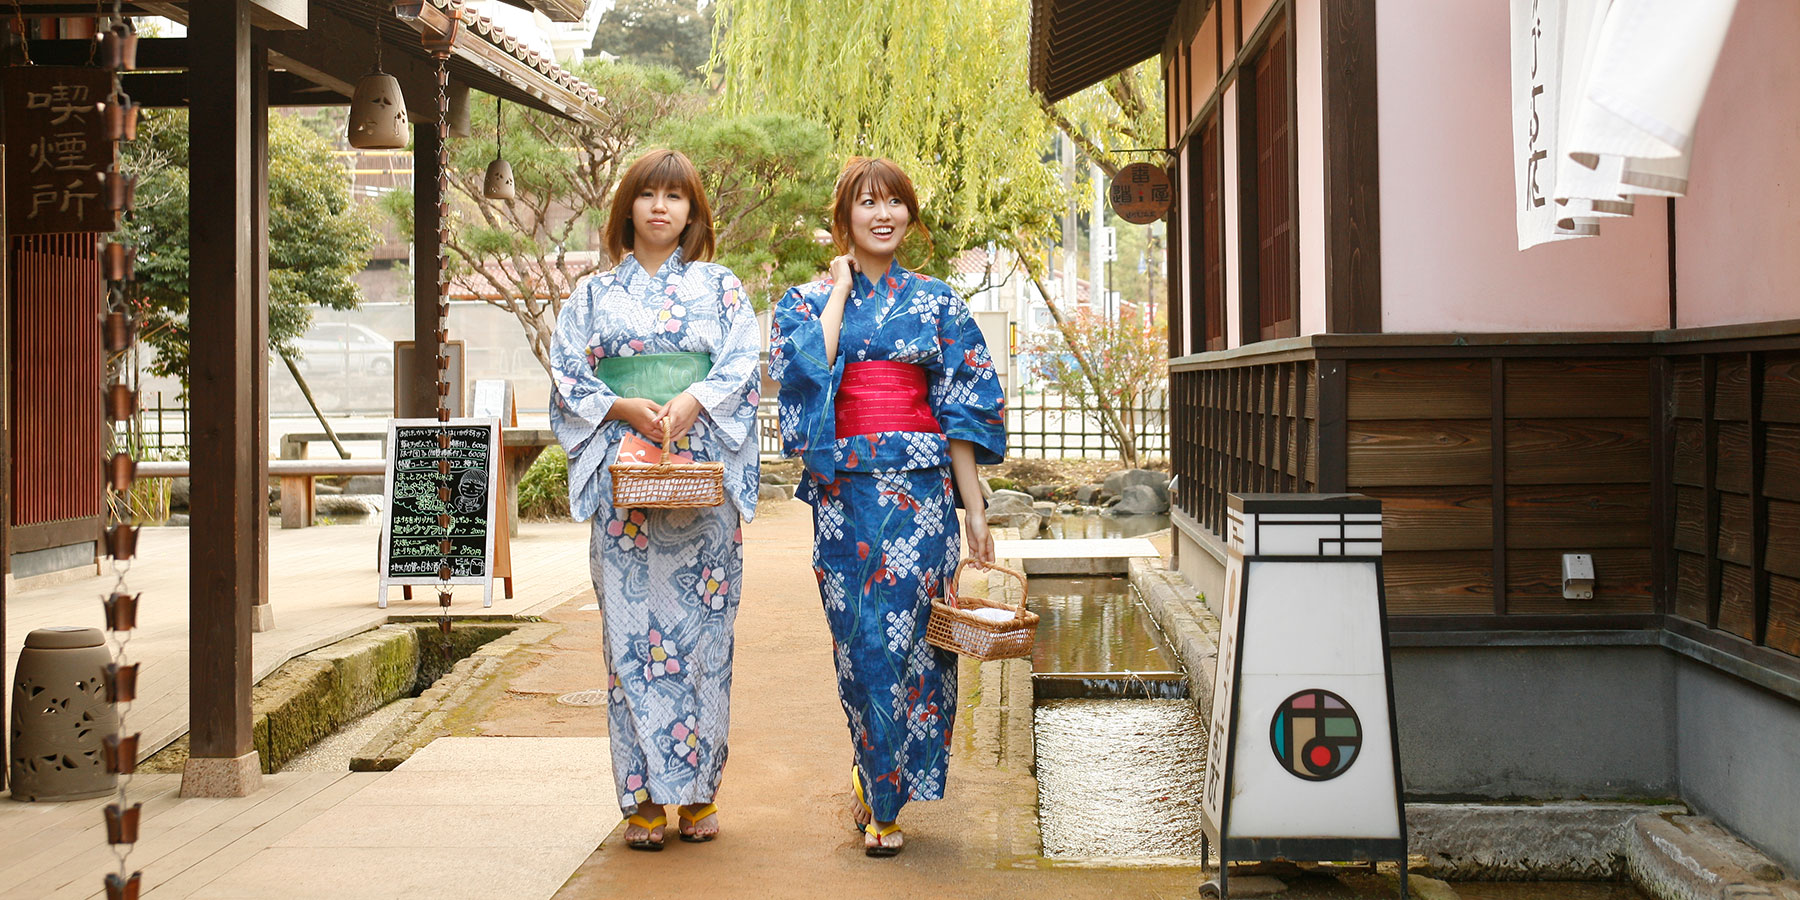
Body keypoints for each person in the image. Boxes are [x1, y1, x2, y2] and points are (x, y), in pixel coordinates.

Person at [770, 157, 1006, 857]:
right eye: (868, 203)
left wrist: (974, 512)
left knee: (917, 647)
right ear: (844, 215)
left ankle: (887, 791)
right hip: (848, 495)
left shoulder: (939, 303)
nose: (884, 215)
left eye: (895, 203)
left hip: (925, 498)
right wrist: (839, 291)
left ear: (909, 215)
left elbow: (961, 414)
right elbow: (811, 370)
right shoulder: (805, 300)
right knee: (864, 643)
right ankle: (877, 788)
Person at [549, 148, 761, 850]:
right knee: (630, 642)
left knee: (704, 638)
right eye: (649, 195)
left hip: (699, 472)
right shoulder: (591, 295)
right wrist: (619, 407)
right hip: (625, 474)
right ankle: (640, 795)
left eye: (676, 197)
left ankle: (699, 793)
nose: (662, 207)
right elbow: (567, 374)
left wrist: (695, 399)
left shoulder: (721, 287)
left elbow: (740, 362)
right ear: (628, 208)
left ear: (693, 213)